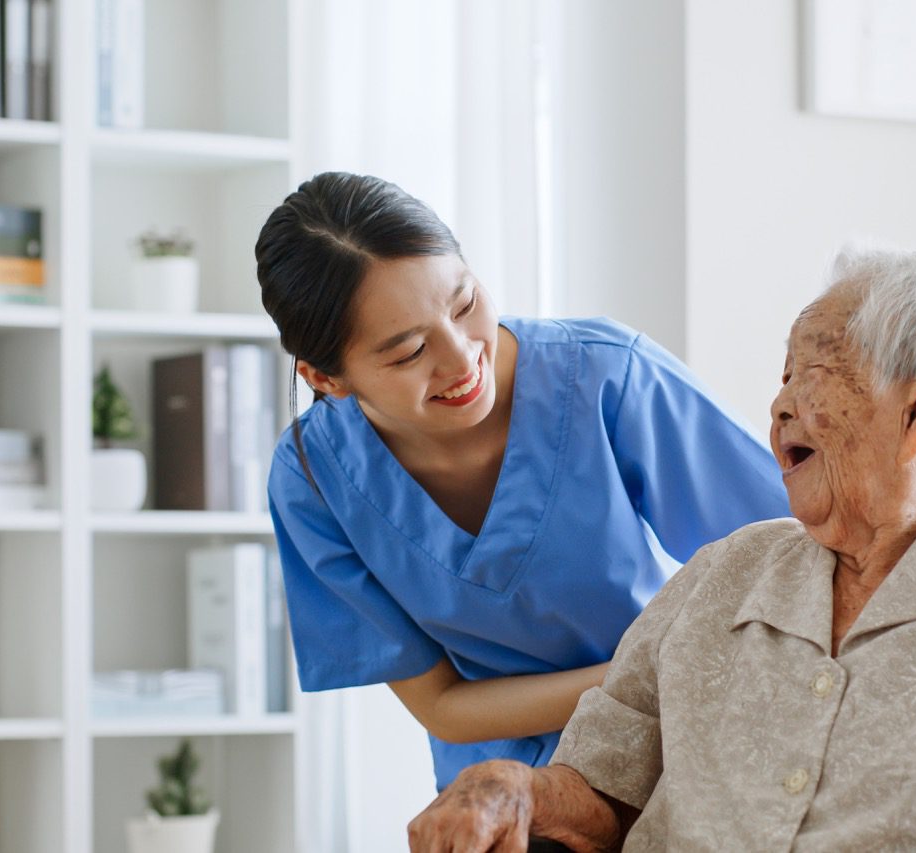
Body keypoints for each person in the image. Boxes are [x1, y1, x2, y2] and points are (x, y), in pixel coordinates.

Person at [407, 246, 916, 852]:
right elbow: (601, 793)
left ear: (915, 414)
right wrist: (516, 787)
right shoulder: (724, 574)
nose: (780, 403)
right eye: (783, 373)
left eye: (815, 373)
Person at [254, 173, 790, 791]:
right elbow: (443, 708)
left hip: (681, 743)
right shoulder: (313, 482)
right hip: (505, 786)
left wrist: (677, 679)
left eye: (464, 304)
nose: (462, 359)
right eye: (407, 353)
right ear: (326, 378)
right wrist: (658, 670)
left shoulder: (606, 373)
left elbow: (792, 548)